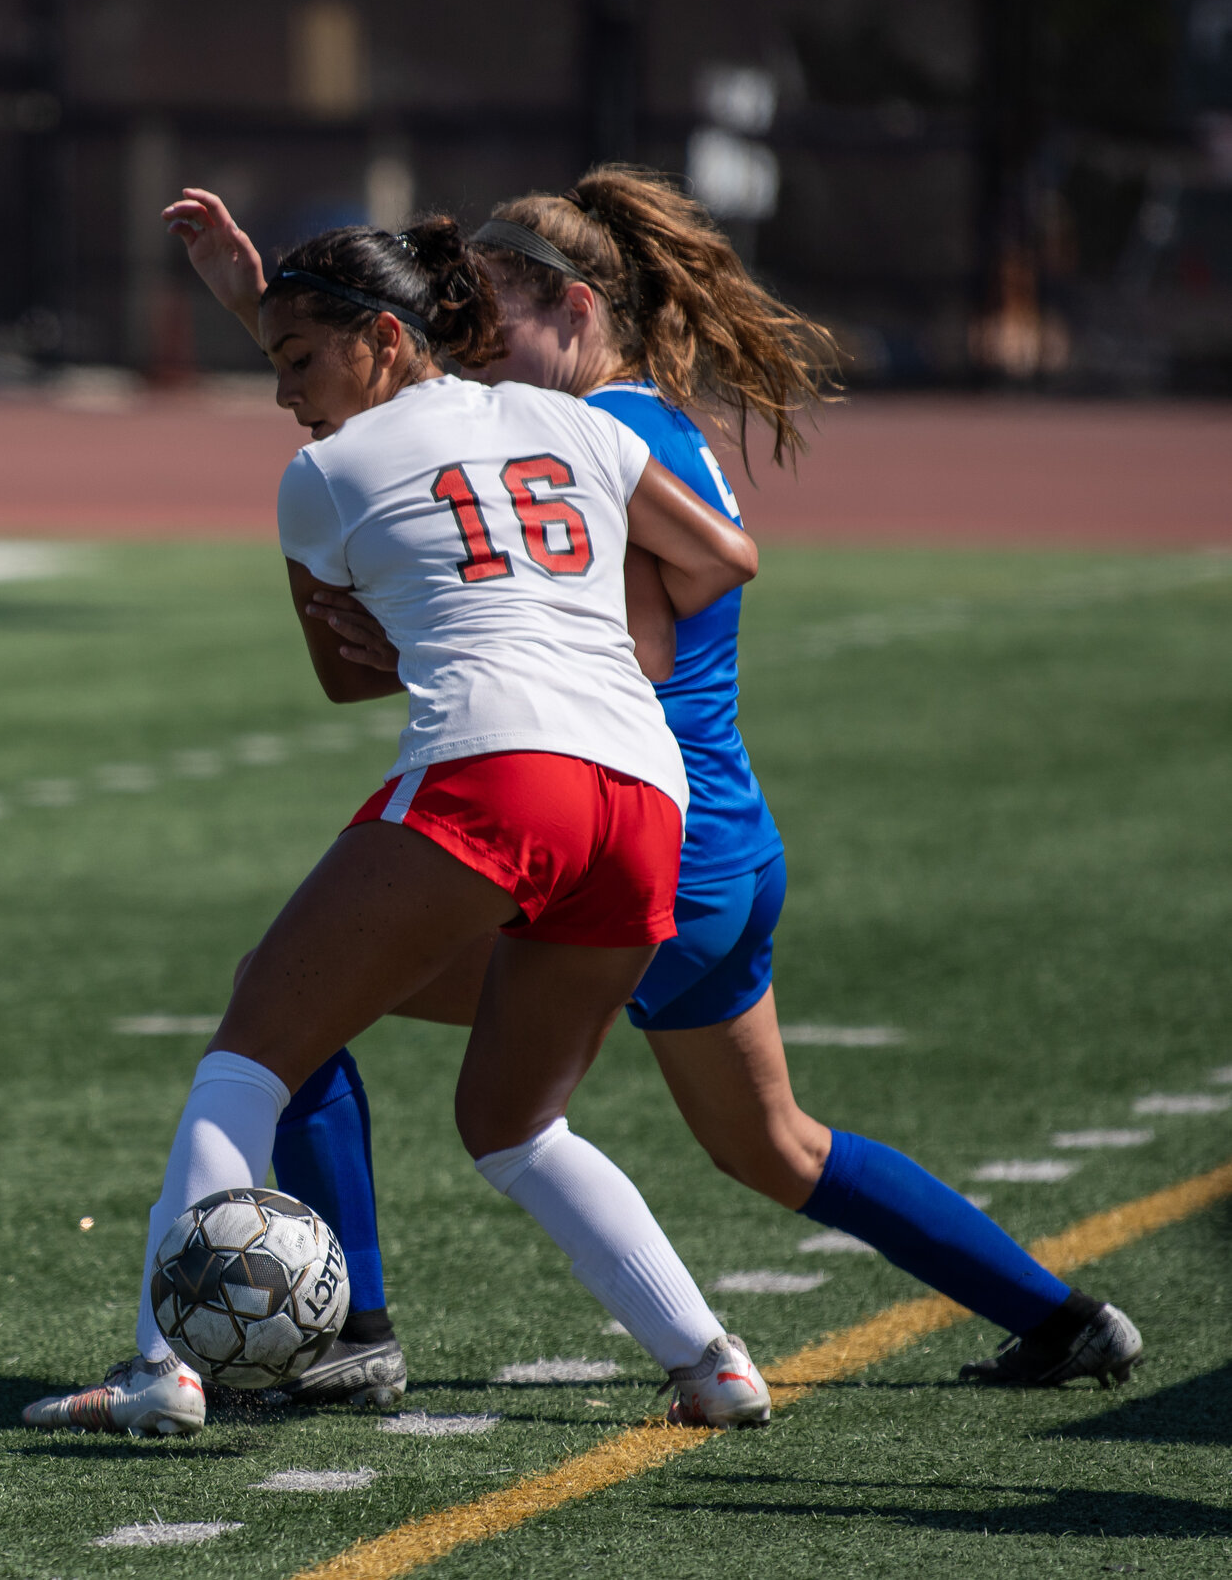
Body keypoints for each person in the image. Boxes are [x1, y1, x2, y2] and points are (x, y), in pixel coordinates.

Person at [168, 169, 1143, 1410]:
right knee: (773, 1144)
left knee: (291, 1009)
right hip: (724, 849)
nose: (463, 343)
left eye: (486, 318)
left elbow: (602, 614)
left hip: (619, 838)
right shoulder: (632, 427)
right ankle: (1063, 1316)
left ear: (575, 311)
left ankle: (351, 1325)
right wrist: (265, 308)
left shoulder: (582, 435)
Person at [22, 215, 772, 1439]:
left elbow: (342, 670)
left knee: (248, 1046)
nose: (282, 395)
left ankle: (167, 1367)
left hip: (496, 766)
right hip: (642, 792)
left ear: (381, 336)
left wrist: (458, 622)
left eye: (296, 361)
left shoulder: (316, 478)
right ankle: (708, 1356)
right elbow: (724, 559)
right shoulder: (575, 421)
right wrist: (573, 606)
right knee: (515, 1122)